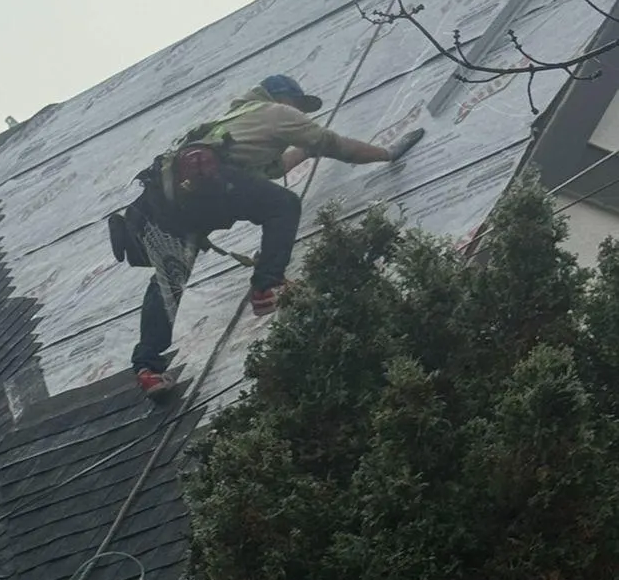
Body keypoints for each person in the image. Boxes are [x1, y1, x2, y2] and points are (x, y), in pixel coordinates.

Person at [108, 73, 424, 399]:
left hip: (174, 202)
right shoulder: (277, 113)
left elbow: (274, 168)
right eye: (299, 105)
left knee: (168, 280)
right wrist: (387, 153)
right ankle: (267, 285)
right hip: (213, 187)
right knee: (284, 204)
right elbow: (337, 146)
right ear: (281, 98)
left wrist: (305, 150)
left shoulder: (233, 124)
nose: (302, 112)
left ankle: (148, 368)